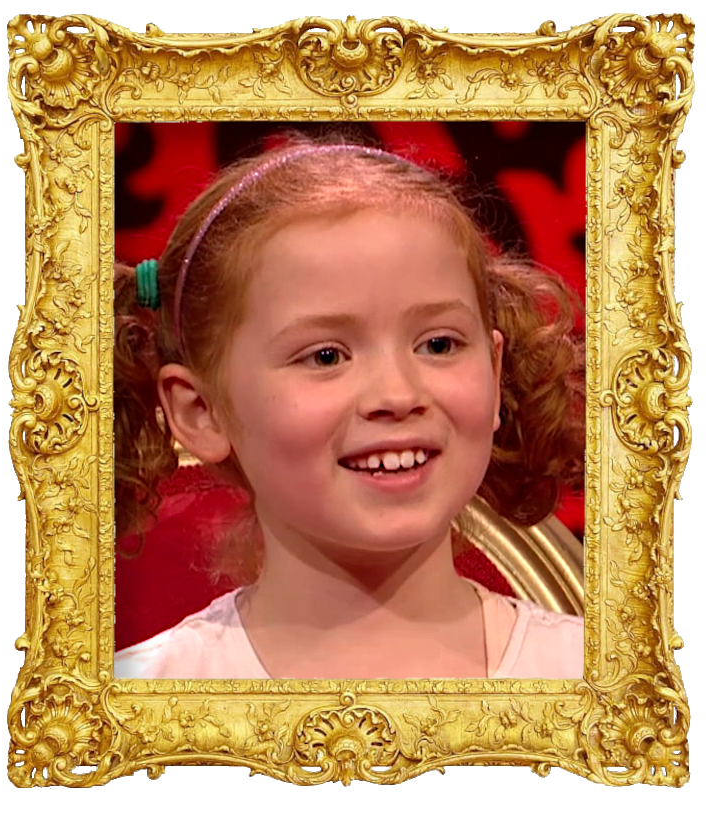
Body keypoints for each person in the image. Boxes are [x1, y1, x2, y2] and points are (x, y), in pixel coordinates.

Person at [114, 138, 585, 680]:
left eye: (438, 345)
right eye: (326, 356)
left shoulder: (600, 682)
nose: (397, 395)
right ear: (200, 411)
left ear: (494, 371)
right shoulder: (137, 702)